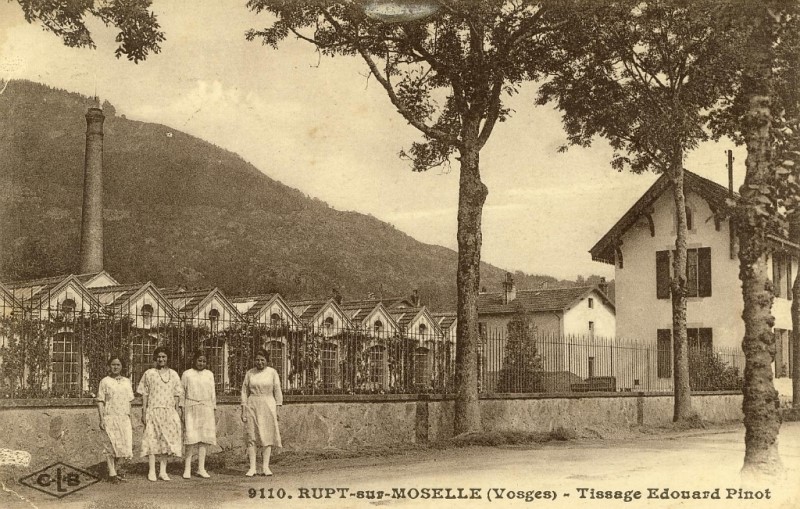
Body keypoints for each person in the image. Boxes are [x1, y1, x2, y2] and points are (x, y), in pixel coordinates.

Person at [138, 347, 182, 482]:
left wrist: (176, 412)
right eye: (159, 357)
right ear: (155, 358)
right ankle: (151, 471)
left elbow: (177, 395)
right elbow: (144, 394)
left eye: (164, 357)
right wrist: (144, 411)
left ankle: (163, 471)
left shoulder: (173, 374)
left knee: (166, 441)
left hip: (168, 412)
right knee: (151, 440)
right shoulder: (149, 373)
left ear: (167, 358)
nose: (161, 359)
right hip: (153, 411)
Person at [241, 348, 283, 476]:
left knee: (267, 435)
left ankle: (265, 467)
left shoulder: (272, 372)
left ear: (267, 360)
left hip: (268, 405)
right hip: (252, 404)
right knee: (252, 435)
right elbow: (244, 391)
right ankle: (252, 468)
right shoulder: (250, 373)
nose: (259, 362)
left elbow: (277, 390)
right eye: (257, 360)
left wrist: (278, 408)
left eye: (262, 360)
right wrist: (243, 409)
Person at [96, 355, 134, 484]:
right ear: (109, 366)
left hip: (124, 418)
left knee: (124, 446)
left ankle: (116, 471)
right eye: (113, 364)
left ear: (122, 366)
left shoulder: (127, 382)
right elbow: (100, 401)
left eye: (118, 365)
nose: (115, 367)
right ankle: (112, 474)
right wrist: (102, 419)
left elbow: (129, 401)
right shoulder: (105, 381)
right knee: (110, 446)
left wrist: (129, 416)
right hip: (110, 417)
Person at [181, 349, 217, 479]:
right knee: (190, 438)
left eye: (204, 361)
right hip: (191, 407)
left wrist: (213, 409)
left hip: (206, 408)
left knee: (204, 439)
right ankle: (187, 468)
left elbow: (212, 393)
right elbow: (182, 392)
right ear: (194, 360)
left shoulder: (209, 374)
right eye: (199, 360)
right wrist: (182, 409)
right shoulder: (187, 374)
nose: (201, 363)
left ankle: (201, 468)